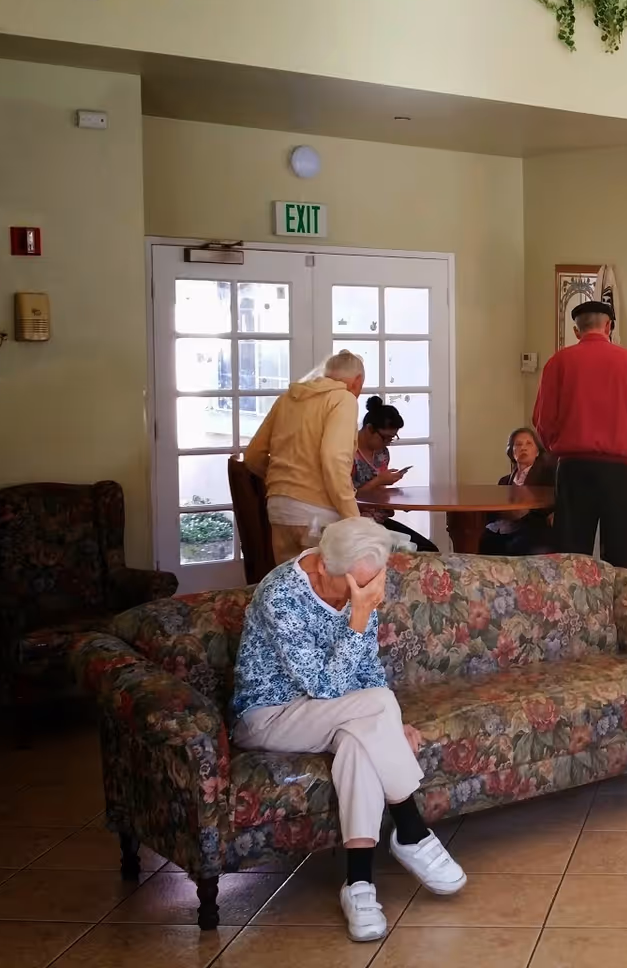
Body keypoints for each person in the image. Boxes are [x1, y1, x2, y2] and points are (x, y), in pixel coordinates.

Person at [229, 517, 466, 941]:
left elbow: (367, 669)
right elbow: (323, 686)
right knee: (375, 709)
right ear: (322, 565)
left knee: (361, 744)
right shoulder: (280, 595)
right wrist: (359, 617)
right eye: (355, 589)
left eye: (370, 585)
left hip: (335, 714)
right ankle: (411, 830)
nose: (364, 595)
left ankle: (359, 884)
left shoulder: (360, 580)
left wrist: (388, 725)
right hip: (270, 716)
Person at [531, 301, 627, 567]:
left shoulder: (558, 362)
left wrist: (559, 447)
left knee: (572, 554)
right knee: (620, 550)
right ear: (608, 326)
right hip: (619, 470)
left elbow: (542, 420)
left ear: (577, 331)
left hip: (573, 467)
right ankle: (616, 606)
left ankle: (575, 608)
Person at [244, 350, 367, 561]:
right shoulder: (343, 399)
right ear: (357, 381)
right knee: (324, 588)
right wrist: (354, 519)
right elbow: (334, 459)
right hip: (318, 515)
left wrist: (284, 480)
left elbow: (253, 455)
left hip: (279, 509)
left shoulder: (287, 399)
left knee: (288, 586)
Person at [351, 396, 439, 553]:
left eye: (391, 439)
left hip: (379, 520)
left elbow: (378, 493)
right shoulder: (348, 453)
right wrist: (378, 480)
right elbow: (346, 496)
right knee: (417, 551)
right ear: (369, 429)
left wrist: (396, 499)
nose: (387, 443)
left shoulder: (382, 454)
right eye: (385, 438)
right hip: (355, 524)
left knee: (429, 549)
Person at [483, 426, 557, 556]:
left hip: (532, 528)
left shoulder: (546, 476)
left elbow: (549, 507)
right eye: (518, 444)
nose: (523, 448)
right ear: (512, 452)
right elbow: (494, 512)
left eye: (529, 444)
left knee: (520, 545)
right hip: (506, 526)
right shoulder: (504, 481)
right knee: (487, 539)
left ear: (537, 452)